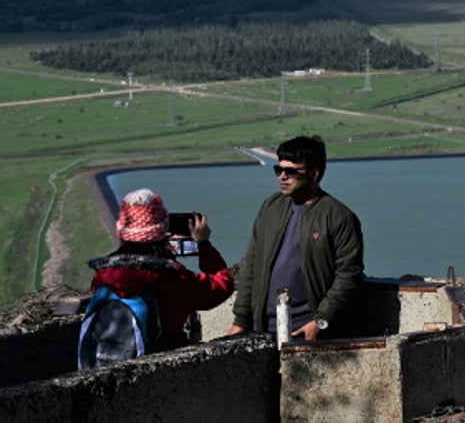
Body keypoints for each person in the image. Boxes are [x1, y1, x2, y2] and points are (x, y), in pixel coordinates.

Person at [228, 135, 364, 341]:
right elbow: (252, 265)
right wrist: (240, 321)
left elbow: (348, 276)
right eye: (279, 170)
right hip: (263, 328)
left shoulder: (339, 217)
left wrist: (320, 322)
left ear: (314, 174)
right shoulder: (270, 208)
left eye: (291, 172)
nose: (282, 176)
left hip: (308, 331)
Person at [88, 188, 235, 351]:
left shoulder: (102, 275)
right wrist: (204, 244)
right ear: (162, 232)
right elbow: (222, 285)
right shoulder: (172, 278)